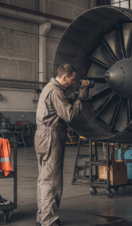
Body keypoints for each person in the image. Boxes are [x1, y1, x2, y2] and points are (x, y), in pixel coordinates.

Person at [35, 63, 89, 226]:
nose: (73, 82)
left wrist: (75, 95)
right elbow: (69, 114)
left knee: (44, 179)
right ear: (64, 77)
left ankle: (42, 218)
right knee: (52, 181)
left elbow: (60, 106)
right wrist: (80, 99)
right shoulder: (57, 92)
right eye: (72, 80)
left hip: (43, 136)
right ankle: (49, 221)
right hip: (51, 137)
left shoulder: (49, 88)